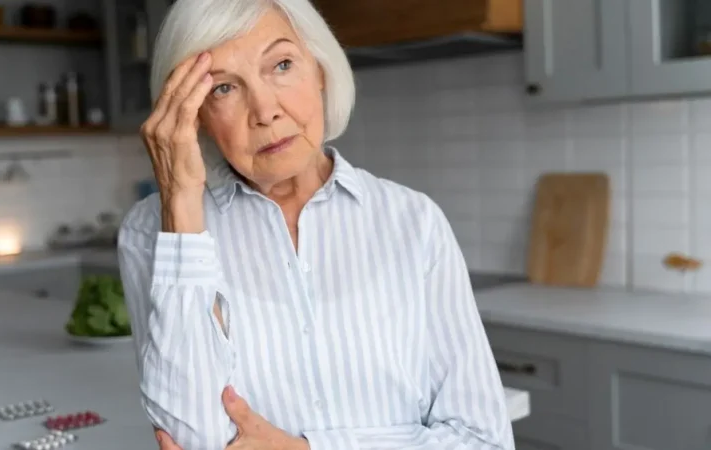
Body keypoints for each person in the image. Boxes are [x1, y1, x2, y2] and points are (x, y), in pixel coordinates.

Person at [117, 0, 514, 449]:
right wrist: (182, 204)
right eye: (224, 89)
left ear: (320, 69)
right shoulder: (154, 231)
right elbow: (192, 440)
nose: (265, 110)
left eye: (282, 64)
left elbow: (483, 441)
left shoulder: (414, 222)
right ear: (194, 117)